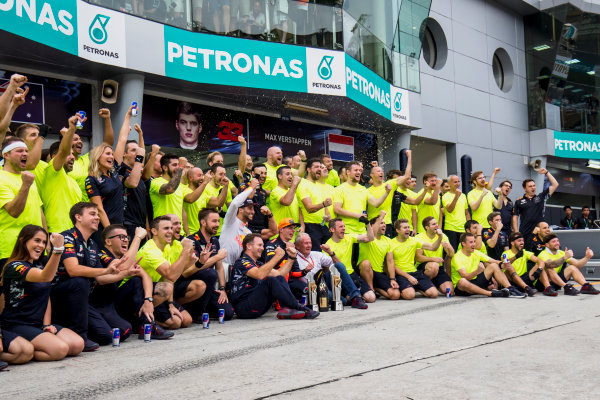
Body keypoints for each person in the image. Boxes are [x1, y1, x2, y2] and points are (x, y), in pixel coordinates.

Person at [1, 226, 83, 361]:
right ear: (23, 241)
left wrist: (46, 325)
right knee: (59, 349)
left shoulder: (40, 265)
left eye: (44, 242)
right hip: (16, 324)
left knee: (77, 345)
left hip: (37, 324)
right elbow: (45, 277)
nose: (41, 245)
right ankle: (27, 351)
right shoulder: (14, 266)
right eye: (37, 240)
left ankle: (34, 347)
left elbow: (45, 296)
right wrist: (57, 250)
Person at [51, 203, 121, 352]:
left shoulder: (92, 244)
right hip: (58, 297)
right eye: (92, 214)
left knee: (106, 337)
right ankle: (79, 334)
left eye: (97, 214)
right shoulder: (67, 237)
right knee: (80, 281)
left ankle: (71, 332)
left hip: (81, 300)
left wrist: (126, 273)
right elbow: (73, 270)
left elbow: (101, 279)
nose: (97, 217)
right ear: (78, 217)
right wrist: (106, 271)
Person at [100, 224, 173, 340]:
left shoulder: (122, 257)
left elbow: (146, 277)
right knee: (124, 332)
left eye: (126, 237)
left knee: (163, 287)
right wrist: (138, 237)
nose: (125, 240)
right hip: (101, 305)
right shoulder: (102, 254)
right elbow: (123, 267)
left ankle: (146, 325)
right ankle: (140, 323)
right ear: (108, 242)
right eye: (121, 237)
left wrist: (148, 300)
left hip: (118, 302)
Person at [229, 234, 319, 319]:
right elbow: (259, 275)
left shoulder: (258, 264)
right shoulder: (241, 262)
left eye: (263, 245)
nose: (262, 248)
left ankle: (287, 308)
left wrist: (291, 258)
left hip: (256, 306)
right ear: (248, 246)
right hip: (243, 308)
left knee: (278, 278)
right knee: (270, 280)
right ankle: (299, 307)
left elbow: (280, 274)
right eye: (259, 245)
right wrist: (277, 256)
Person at [133, 216, 199, 329]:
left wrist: (171, 304)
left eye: (170, 228)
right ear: (154, 231)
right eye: (166, 228)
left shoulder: (166, 247)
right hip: (137, 291)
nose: (170, 231)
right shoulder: (150, 250)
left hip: (156, 291)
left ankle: (148, 314)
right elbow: (170, 275)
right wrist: (185, 251)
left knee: (186, 320)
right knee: (175, 323)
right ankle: (137, 317)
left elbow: (170, 278)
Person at [0, 138, 44, 264]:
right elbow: (14, 212)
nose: (25, 154)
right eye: (19, 151)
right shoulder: (1, 178)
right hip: (12, 248)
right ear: (6, 155)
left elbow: (39, 210)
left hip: (37, 248)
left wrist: (45, 240)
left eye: (26, 151)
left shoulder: (27, 177)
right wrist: (25, 185)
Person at [186, 208, 234, 321]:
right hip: (193, 285)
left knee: (228, 313)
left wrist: (222, 289)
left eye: (218, 221)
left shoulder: (215, 241)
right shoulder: (192, 241)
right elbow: (197, 267)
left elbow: (219, 267)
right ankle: (198, 312)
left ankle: (204, 308)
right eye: (214, 221)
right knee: (209, 273)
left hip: (209, 288)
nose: (217, 224)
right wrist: (217, 256)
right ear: (203, 222)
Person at [114, 107, 153, 240]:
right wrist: (128, 116)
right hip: (127, 224)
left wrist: (141, 135)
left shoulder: (139, 174)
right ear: (124, 153)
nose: (137, 154)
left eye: (138, 151)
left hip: (140, 225)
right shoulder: (121, 169)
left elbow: (143, 204)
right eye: (133, 151)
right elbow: (132, 182)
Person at [40, 115, 82, 233]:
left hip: (75, 235)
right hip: (57, 233)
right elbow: (63, 151)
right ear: (54, 156)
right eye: (69, 154)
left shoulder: (73, 182)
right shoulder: (52, 172)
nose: (73, 157)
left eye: (73, 154)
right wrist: (71, 129)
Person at [219, 179, 276, 266]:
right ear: (240, 209)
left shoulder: (248, 232)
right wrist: (251, 187)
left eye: (253, 209)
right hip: (222, 265)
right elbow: (234, 204)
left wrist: (270, 215)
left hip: (235, 267)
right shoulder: (230, 221)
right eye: (249, 208)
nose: (252, 212)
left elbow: (273, 232)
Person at [367, 151, 423, 238]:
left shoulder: (389, 184)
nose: (381, 173)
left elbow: (407, 176)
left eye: (382, 171)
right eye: (378, 171)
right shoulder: (366, 191)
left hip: (386, 223)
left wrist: (409, 157)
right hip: (372, 224)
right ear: (372, 175)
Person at [388, 219, 443, 300]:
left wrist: (440, 237)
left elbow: (433, 247)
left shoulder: (414, 240)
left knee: (434, 294)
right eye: (405, 228)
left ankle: (416, 287)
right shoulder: (390, 243)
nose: (408, 229)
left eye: (408, 227)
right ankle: (408, 289)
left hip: (414, 272)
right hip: (401, 274)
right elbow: (391, 265)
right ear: (397, 230)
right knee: (410, 295)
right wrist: (408, 277)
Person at [451, 233, 520, 298]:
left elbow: (493, 261)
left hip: (476, 282)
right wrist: (477, 271)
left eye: (474, 241)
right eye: (471, 242)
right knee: (462, 281)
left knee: (493, 265)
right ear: (463, 244)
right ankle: (491, 293)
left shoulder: (476, 252)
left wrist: (502, 264)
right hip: (463, 288)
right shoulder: (457, 257)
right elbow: (465, 276)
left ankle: (510, 289)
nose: (474, 244)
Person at [326, 217, 377, 304]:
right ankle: (353, 297)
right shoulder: (328, 246)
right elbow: (328, 269)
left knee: (371, 298)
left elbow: (370, 238)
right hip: (339, 278)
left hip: (352, 274)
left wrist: (367, 224)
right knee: (347, 299)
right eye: (341, 227)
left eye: (344, 226)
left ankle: (355, 297)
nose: (344, 228)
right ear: (332, 229)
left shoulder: (349, 237)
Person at [69, 108, 115, 202]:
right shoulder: (61, 163)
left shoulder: (87, 158)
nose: (80, 142)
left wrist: (107, 119)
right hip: (71, 210)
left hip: (90, 209)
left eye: (80, 139)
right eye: (75, 139)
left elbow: (107, 144)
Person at [334, 161, 391, 235]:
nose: (358, 172)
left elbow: (376, 203)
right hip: (346, 231)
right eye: (355, 170)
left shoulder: (363, 189)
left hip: (362, 231)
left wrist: (387, 192)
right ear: (348, 172)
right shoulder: (340, 189)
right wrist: (356, 215)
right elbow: (337, 209)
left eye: (360, 170)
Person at [85, 143, 128, 240]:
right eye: (108, 154)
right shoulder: (92, 179)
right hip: (105, 229)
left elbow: (122, 139)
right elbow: (99, 209)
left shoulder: (114, 173)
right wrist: (110, 232)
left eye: (112, 154)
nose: (111, 157)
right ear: (98, 157)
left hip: (119, 225)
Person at [263, 218, 308, 299]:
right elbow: (271, 264)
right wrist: (288, 254)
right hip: (275, 279)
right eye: (290, 228)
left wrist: (305, 271)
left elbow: (295, 270)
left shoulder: (291, 245)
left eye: (294, 228)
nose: (293, 231)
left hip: (289, 280)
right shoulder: (271, 244)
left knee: (308, 289)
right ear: (281, 229)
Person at [512, 168, 559, 243]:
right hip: (525, 231)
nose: (533, 187)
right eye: (530, 186)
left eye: (534, 185)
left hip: (540, 232)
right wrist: (516, 232)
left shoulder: (541, 197)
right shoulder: (519, 201)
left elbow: (555, 184)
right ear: (525, 188)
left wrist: (546, 172)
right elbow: (515, 217)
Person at [357, 216, 399, 300]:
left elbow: (390, 261)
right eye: (381, 223)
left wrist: (392, 279)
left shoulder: (388, 240)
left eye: (384, 223)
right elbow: (370, 236)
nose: (384, 225)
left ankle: (375, 289)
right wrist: (381, 216)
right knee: (366, 263)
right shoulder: (366, 237)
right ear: (372, 226)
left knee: (395, 295)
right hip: (365, 271)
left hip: (379, 273)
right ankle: (370, 288)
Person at [297, 158, 333, 250]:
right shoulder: (303, 184)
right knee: (315, 257)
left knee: (327, 256)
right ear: (308, 169)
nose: (319, 169)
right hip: (310, 226)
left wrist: (328, 215)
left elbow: (324, 207)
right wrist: (324, 204)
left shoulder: (318, 185)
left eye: (320, 167)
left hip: (323, 226)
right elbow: (309, 208)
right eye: (316, 167)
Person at [415, 217, 454, 296]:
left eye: (436, 223)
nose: (437, 225)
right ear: (427, 227)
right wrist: (433, 259)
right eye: (433, 224)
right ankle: (423, 285)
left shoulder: (442, 236)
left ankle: (434, 285)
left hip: (438, 268)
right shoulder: (419, 237)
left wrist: (449, 247)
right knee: (434, 266)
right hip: (424, 267)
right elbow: (418, 258)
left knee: (449, 292)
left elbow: (451, 255)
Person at [502, 232, 549, 297]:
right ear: (512, 243)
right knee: (509, 267)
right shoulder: (505, 253)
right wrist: (516, 257)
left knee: (539, 265)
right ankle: (526, 288)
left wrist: (539, 269)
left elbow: (540, 260)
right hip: (511, 281)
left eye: (523, 240)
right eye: (519, 241)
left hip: (524, 278)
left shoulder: (525, 252)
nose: (522, 242)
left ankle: (548, 288)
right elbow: (504, 265)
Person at [198, 163, 232, 235]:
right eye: (220, 174)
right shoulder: (205, 187)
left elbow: (231, 208)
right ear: (212, 174)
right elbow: (218, 203)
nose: (223, 177)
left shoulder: (226, 188)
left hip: (223, 230)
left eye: (224, 174)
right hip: (208, 230)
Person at [150, 153, 186, 220]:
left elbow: (183, 210)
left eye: (178, 165)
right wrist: (181, 167)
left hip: (179, 229)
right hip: (163, 228)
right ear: (165, 168)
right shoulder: (155, 182)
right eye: (174, 165)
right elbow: (170, 189)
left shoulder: (178, 185)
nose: (177, 167)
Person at [269, 166, 302, 236]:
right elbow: (286, 202)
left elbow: (299, 209)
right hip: (280, 236)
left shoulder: (292, 192)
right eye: (287, 174)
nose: (291, 177)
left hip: (293, 235)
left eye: (291, 174)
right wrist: (294, 185)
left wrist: (302, 225)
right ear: (279, 176)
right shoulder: (276, 191)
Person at [441, 175, 470, 249]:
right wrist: (456, 196)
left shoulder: (463, 195)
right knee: (452, 252)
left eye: (458, 181)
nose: (457, 184)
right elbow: (450, 210)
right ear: (449, 183)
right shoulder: (446, 196)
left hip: (462, 228)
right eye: (455, 182)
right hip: (451, 228)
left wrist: (469, 227)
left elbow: (466, 213)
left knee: (463, 251)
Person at [182, 167, 212, 234]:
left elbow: (218, 202)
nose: (202, 178)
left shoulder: (202, 192)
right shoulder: (183, 189)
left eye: (202, 175)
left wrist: (226, 186)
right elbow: (190, 199)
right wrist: (205, 182)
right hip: (190, 233)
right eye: (199, 175)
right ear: (190, 178)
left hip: (202, 233)